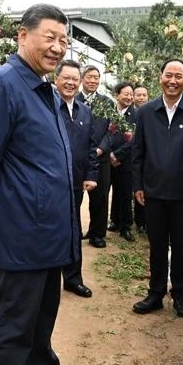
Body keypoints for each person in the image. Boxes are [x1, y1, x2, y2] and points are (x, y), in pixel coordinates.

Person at [0, 4, 87, 365]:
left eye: (63, 39)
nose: (57, 47)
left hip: (48, 231)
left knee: (41, 316)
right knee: (12, 327)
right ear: (22, 35)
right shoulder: (3, 85)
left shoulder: (43, 88)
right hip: (21, 231)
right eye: (49, 37)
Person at [131, 59, 183, 318]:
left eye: (178, 76)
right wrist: (138, 185)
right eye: (168, 75)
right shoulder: (146, 112)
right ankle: (155, 293)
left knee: (181, 245)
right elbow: (137, 152)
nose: (173, 81)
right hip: (153, 191)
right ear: (160, 77)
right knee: (156, 245)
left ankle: (178, 293)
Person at [54, 59, 99, 298]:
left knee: (73, 230)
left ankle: (73, 278)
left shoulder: (84, 111)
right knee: (52, 230)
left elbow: (91, 146)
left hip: (75, 182)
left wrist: (91, 174)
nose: (71, 83)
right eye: (66, 78)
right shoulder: (47, 106)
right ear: (56, 79)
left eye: (75, 79)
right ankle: (49, 281)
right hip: (51, 182)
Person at [77, 66, 113, 249]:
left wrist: (100, 149)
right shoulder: (73, 100)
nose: (93, 81)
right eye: (89, 77)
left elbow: (112, 131)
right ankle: (73, 233)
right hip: (77, 158)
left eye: (96, 78)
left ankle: (97, 234)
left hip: (101, 158)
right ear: (82, 79)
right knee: (75, 197)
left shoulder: (107, 102)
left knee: (100, 198)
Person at [107, 82, 137, 242]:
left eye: (131, 94)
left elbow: (135, 140)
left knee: (125, 193)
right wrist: (109, 155)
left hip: (125, 161)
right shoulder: (109, 112)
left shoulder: (136, 114)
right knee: (113, 192)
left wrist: (117, 155)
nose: (129, 97)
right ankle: (115, 221)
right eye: (126, 94)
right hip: (108, 159)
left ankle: (126, 226)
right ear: (117, 94)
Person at [132, 85, 150, 234]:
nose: (141, 98)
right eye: (138, 95)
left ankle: (146, 220)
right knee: (137, 190)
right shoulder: (132, 114)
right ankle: (139, 222)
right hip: (134, 157)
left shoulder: (151, 113)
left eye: (144, 95)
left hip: (148, 159)